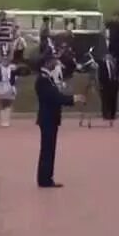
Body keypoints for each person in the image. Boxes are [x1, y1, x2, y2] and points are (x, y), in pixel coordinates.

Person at [35, 54, 82, 188]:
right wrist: (73, 99)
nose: (56, 64)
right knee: (47, 150)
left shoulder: (48, 79)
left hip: (51, 118)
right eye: (53, 62)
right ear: (47, 63)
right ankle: (45, 179)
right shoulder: (43, 80)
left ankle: (46, 177)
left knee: (49, 149)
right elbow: (55, 97)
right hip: (47, 118)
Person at [0, 54, 18, 127]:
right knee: (2, 103)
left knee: (9, 103)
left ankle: (7, 120)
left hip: (10, 86)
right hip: (1, 86)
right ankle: (3, 120)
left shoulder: (12, 68)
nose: (5, 61)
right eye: (4, 60)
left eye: (7, 60)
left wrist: (13, 85)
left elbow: (15, 78)